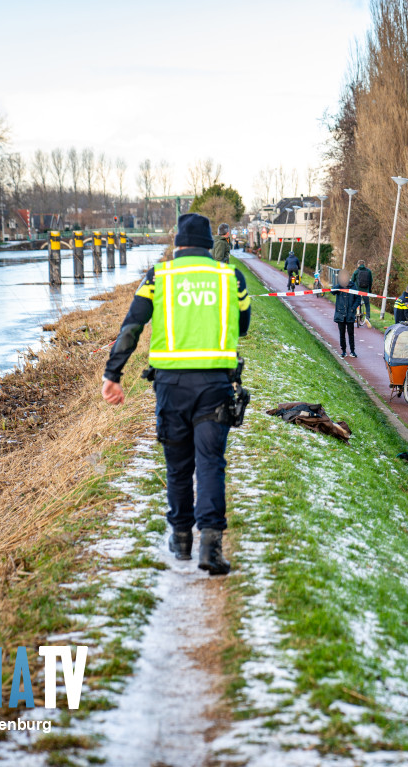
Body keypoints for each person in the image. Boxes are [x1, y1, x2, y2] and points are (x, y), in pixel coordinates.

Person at [101, 213, 251, 575]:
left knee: (179, 465)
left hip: (170, 387)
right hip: (215, 384)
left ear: (177, 244)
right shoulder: (230, 277)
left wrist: (113, 374)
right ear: (207, 243)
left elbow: (132, 325)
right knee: (211, 462)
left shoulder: (159, 277)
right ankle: (211, 548)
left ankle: (181, 539)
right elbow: (244, 325)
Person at [333, 268, 359, 358]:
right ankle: (343, 351)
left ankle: (352, 351)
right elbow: (332, 291)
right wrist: (339, 285)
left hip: (350, 314)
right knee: (342, 334)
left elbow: (358, 298)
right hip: (340, 314)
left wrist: (353, 308)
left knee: (351, 334)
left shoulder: (353, 286)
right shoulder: (338, 287)